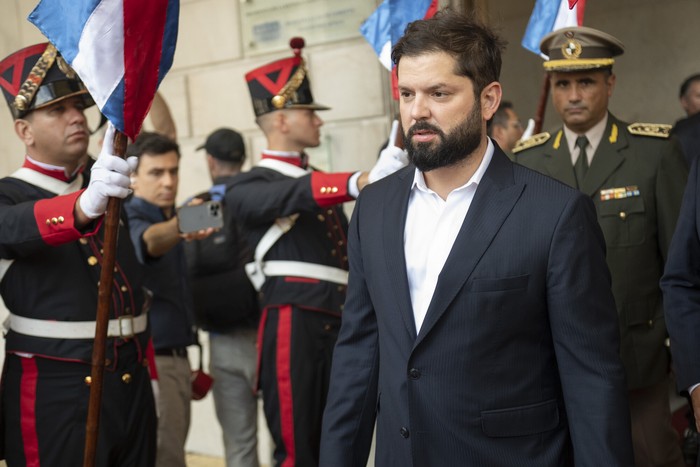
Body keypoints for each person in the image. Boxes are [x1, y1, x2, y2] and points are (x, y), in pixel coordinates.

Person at [320, 11, 633, 467]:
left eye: (439, 93)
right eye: (406, 94)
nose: (417, 111)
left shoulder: (555, 214)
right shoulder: (374, 207)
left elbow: (591, 379)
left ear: (488, 100)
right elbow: (358, 354)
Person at [227, 37, 408, 467]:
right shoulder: (249, 185)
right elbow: (285, 195)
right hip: (295, 319)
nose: (318, 122)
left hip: (338, 319)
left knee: (340, 438)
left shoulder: (320, 182)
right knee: (297, 441)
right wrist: (356, 181)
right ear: (281, 120)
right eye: (309, 112)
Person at [515, 25, 687, 467]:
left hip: (638, 358)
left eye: (586, 82)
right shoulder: (528, 161)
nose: (573, 95)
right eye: (563, 83)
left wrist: (673, 346)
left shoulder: (654, 152)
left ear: (610, 84)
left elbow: (680, 265)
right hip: (552, 360)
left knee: (651, 456)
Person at [0, 43, 156, 465]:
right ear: (24, 131)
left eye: (79, 107)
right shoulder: (8, 194)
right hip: (59, 386)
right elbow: (12, 227)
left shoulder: (105, 179)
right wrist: (85, 205)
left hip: (130, 375)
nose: (76, 118)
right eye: (57, 110)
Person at [124, 132, 205, 467]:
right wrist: (185, 222)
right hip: (154, 360)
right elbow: (150, 242)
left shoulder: (166, 215)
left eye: (173, 171)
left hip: (176, 356)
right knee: (166, 456)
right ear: (133, 177)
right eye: (156, 173)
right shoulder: (132, 214)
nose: (168, 181)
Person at [184, 128, 260, 467]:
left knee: (238, 442)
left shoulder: (201, 207)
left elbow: (179, 264)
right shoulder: (261, 199)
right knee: (289, 438)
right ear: (243, 159)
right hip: (269, 334)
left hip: (220, 338)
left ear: (211, 161)